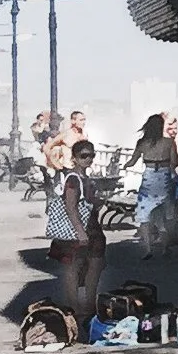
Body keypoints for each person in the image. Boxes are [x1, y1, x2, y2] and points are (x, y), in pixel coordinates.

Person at [46, 138, 107, 324]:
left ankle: (89, 306)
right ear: (74, 157)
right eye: (84, 156)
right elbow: (70, 207)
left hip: (92, 228)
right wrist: (80, 232)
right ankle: (76, 309)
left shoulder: (84, 178)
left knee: (94, 266)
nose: (88, 159)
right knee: (74, 268)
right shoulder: (73, 179)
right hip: (78, 230)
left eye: (91, 155)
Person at [132, 113, 178, 253]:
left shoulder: (142, 143)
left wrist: (125, 166)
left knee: (145, 213)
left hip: (149, 177)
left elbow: (132, 161)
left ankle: (147, 248)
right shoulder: (168, 143)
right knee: (165, 213)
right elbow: (173, 162)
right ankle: (165, 246)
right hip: (164, 176)